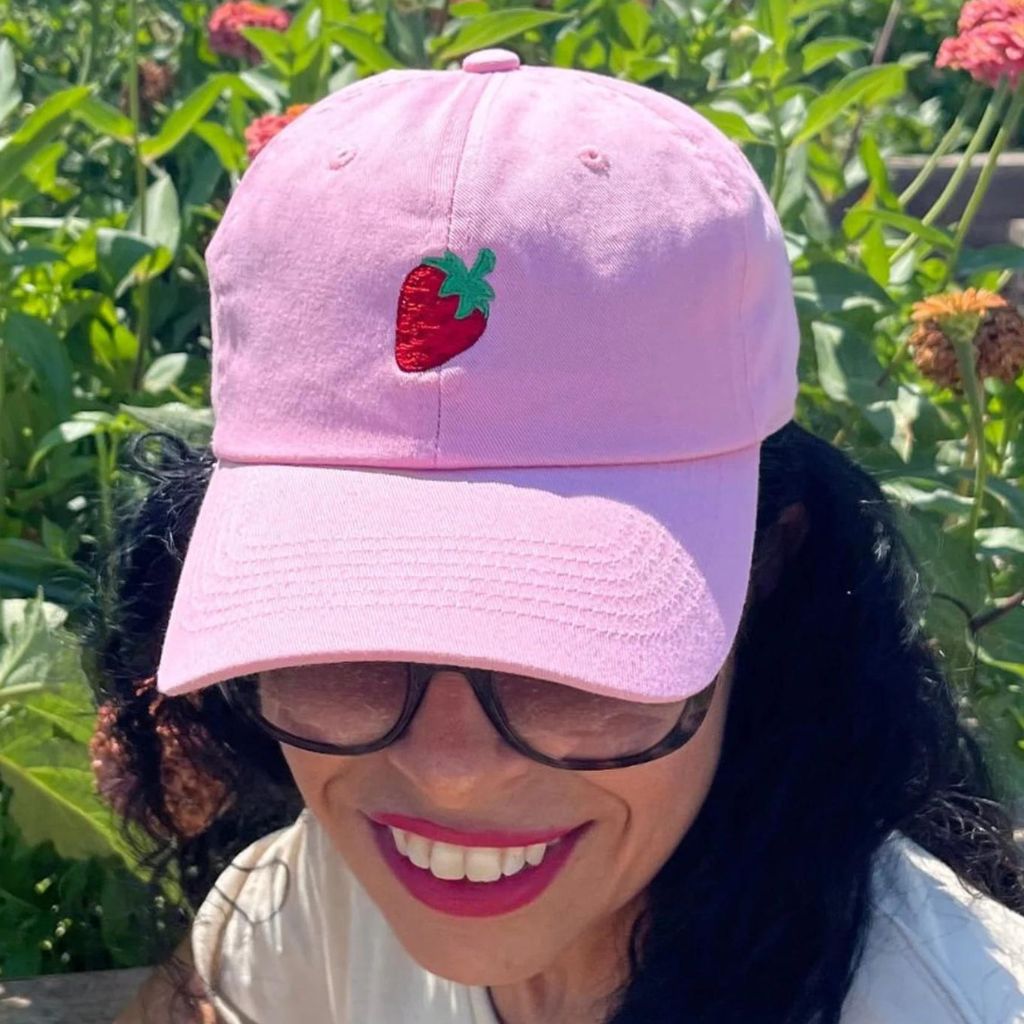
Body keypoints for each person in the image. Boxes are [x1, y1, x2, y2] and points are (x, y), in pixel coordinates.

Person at [89, 48, 1024, 1024]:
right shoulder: (317, 906)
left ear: (768, 572)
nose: (449, 770)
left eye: (565, 648)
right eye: (351, 637)